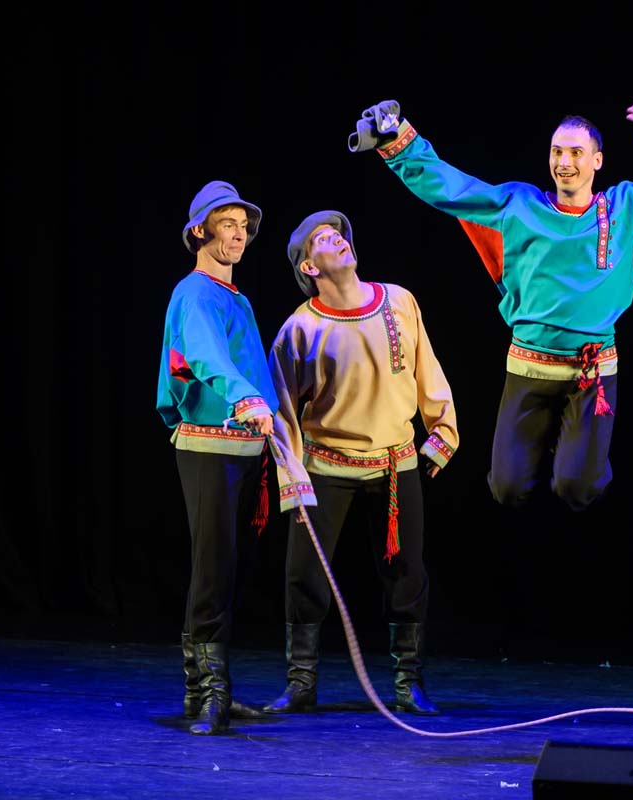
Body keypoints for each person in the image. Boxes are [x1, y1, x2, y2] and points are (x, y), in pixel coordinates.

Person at [347, 97, 633, 513]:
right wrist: (401, 146)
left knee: (576, 488)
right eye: (557, 151)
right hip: (529, 367)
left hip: (592, 375)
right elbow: (451, 187)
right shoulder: (519, 206)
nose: (564, 162)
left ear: (597, 161)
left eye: (576, 152)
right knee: (507, 488)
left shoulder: (625, 208)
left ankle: (580, 462)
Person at [261, 210, 459, 717]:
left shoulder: (399, 301)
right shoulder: (300, 329)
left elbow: (427, 367)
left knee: (406, 573)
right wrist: (292, 478)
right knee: (304, 573)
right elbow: (281, 410)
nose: (340, 241)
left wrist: (442, 431)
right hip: (327, 465)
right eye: (324, 240)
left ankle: (408, 681)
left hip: (395, 463)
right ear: (309, 267)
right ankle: (301, 682)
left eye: (340, 234)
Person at [156, 180, 279, 735]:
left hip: (244, 449)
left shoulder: (237, 299)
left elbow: (254, 369)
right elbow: (205, 356)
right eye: (227, 224)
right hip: (209, 446)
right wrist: (245, 399)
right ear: (200, 231)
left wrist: (273, 419)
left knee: (228, 570)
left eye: (243, 226)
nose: (238, 234)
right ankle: (210, 691)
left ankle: (204, 690)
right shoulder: (195, 292)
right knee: (212, 570)